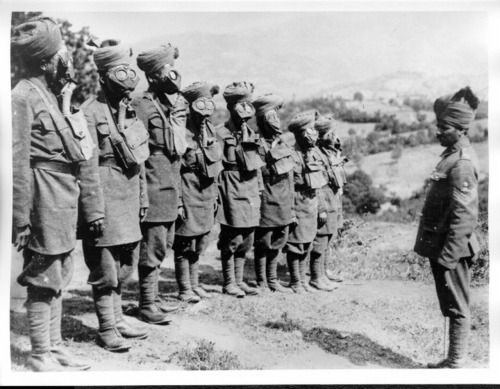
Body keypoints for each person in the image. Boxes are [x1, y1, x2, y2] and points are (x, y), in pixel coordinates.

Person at [11, 16, 98, 371]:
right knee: (42, 277)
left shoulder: (52, 94)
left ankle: (56, 347)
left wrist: (66, 99)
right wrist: (20, 217)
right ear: (46, 59)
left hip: (63, 195)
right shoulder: (22, 96)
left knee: (60, 272)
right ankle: (38, 354)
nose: (68, 57)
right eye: (62, 52)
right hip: (42, 196)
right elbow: (16, 163)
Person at [79, 39, 150, 352]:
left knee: (125, 264)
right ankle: (107, 328)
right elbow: (86, 165)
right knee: (105, 269)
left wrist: (143, 197)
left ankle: (119, 318)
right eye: (118, 77)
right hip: (105, 199)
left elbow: (139, 158)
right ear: (103, 78)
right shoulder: (89, 114)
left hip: (129, 196)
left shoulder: (128, 110)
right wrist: (93, 210)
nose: (126, 86)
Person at [414, 86, 481, 369]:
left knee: (457, 305)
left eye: (444, 127)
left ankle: (456, 363)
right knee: (451, 302)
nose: (437, 132)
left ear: (460, 129)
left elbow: (465, 216)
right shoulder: (451, 156)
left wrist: (450, 255)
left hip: (453, 247)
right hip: (444, 244)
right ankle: (453, 360)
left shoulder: (461, 163)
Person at [132, 44, 188, 314]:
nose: (173, 76)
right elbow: (139, 152)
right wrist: (142, 193)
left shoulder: (171, 105)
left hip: (170, 182)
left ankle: (152, 298)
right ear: (153, 76)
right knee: (152, 246)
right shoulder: (141, 105)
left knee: (164, 244)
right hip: (153, 182)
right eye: (168, 70)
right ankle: (145, 304)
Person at [173, 81, 223, 301]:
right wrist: (179, 201)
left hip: (206, 192)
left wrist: (215, 195)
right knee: (184, 242)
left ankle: (195, 284)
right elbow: (175, 169)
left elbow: (214, 165)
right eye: (200, 104)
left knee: (200, 240)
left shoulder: (210, 130)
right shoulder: (180, 131)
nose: (205, 112)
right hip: (188, 190)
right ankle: (185, 288)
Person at [216, 81, 263, 297]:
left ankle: (240, 280)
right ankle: (229, 282)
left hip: (250, 185)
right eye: (240, 106)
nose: (244, 111)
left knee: (248, 236)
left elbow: (257, 163)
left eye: (248, 106)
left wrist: (259, 188)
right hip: (231, 185)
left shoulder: (251, 133)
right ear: (230, 108)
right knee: (232, 235)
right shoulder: (220, 133)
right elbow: (215, 165)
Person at [252, 93, 295, 293]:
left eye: (277, 117)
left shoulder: (284, 143)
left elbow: (290, 175)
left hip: (284, 200)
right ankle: (262, 280)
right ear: (262, 120)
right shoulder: (256, 144)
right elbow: (259, 172)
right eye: (271, 117)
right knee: (263, 242)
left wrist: (292, 205)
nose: (275, 121)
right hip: (266, 200)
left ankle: (272, 279)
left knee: (279, 240)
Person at [286, 112, 327, 293]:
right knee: (295, 245)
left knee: (308, 244)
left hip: (312, 204)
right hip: (297, 203)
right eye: (309, 131)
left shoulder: (313, 154)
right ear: (300, 134)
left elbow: (319, 185)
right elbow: (286, 188)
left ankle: (303, 280)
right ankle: (296, 281)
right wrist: (291, 212)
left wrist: (321, 209)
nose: (313, 135)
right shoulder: (291, 155)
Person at [308, 115, 347, 291]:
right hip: (323, 198)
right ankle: (316, 277)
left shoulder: (327, 151)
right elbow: (317, 183)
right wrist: (321, 208)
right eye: (332, 133)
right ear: (324, 135)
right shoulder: (315, 153)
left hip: (332, 198)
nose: (335, 137)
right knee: (321, 239)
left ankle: (323, 273)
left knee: (329, 235)